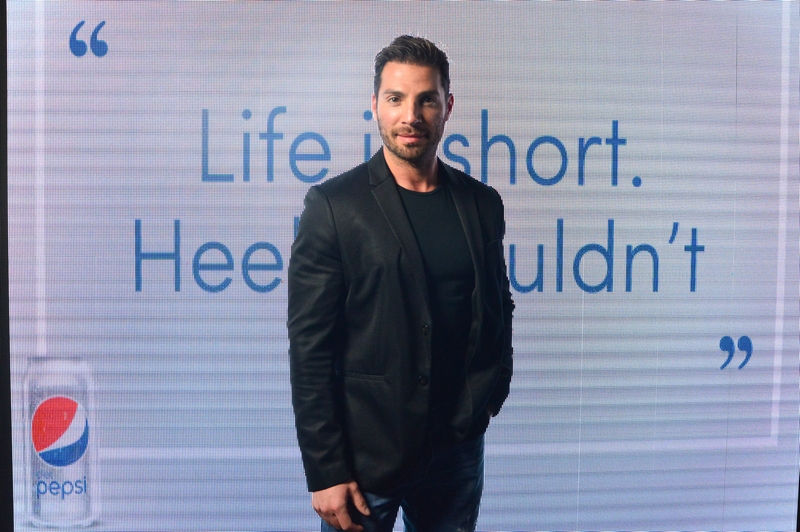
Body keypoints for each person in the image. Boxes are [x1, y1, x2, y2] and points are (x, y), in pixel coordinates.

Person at [288, 35, 513, 532]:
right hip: (365, 458)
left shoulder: (482, 204)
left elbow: (498, 304)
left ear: (447, 106)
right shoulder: (334, 207)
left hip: (456, 453)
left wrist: (487, 397)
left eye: (426, 100)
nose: (410, 115)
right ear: (375, 105)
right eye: (396, 98)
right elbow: (310, 349)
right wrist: (325, 469)